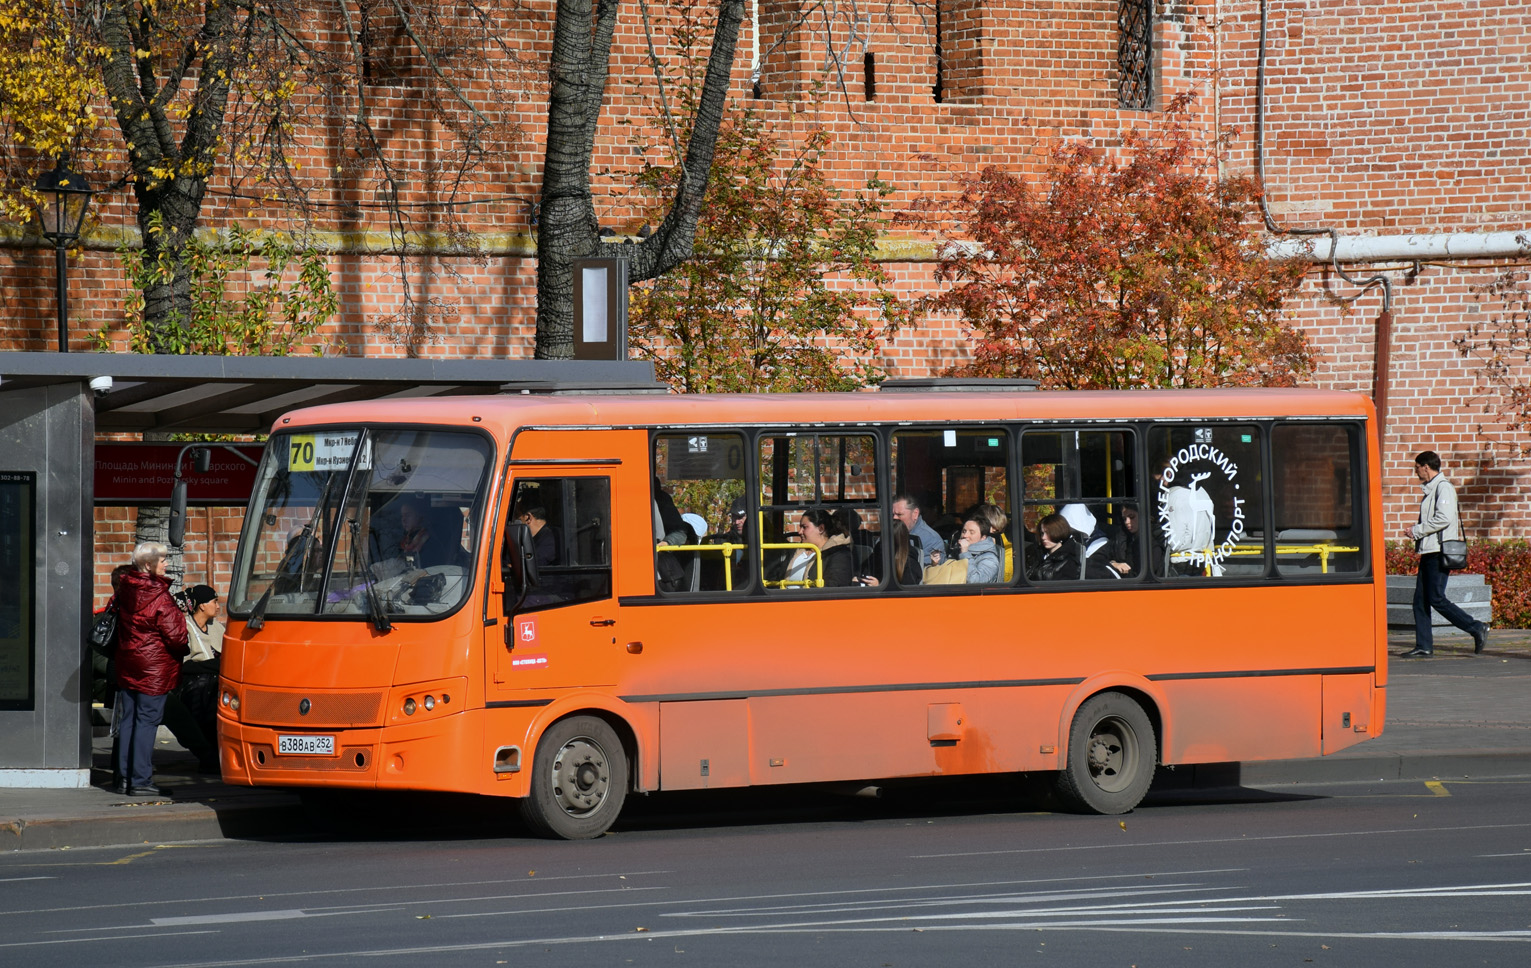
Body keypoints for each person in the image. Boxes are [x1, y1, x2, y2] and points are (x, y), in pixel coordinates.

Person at [112, 542, 190, 797]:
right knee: (147, 722)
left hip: (128, 662)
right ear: (149, 565)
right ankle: (141, 780)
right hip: (153, 668)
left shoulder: (125, 589)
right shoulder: (159, 595)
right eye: (162, 560)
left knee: (129, 719)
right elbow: (176, 637)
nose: (166, 564)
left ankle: (124, 778)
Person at [1402, 450, 1489, 657]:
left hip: (1439, 551)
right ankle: (1424, 646)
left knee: (1436, 598)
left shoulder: (1444, 488)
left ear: (1426, 467)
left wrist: (1417, 530)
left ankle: (1476, 627)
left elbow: (1444, 518)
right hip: (1429, 551)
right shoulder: (1432, 489)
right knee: (1420, 600)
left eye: (1417, 468)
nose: (1416, 472)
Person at [165, 584, 222, 774]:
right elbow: (184, 665)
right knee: (206, 700)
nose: (218, 606)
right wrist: (214, 665)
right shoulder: (185, 627)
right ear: (202, 605)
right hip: (190, 686)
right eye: (214, 601)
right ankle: (210, 756)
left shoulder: (216, 627)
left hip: (214, 683)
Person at [786, 508, 855, 587]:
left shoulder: (838, 554)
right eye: (800, 527)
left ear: (821, 529)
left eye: (804, 527)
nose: (800, 532)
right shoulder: (794, 552)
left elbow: (834, 586)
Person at [861, 520, 922, 587]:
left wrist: (879, 586)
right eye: (882, 538)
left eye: (886, 540)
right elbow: (864, 570)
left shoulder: (910, 564)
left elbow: (907, 591)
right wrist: (858, 578)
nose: (883, 543)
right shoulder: (877, 555)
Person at [892, 493, 944, 567]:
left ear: (915, 514)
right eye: (892, 515)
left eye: (899, 514)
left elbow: (923, 572)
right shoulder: (888, 534)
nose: (894, 518)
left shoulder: (932, 540)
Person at [956, 516, 1003, 583]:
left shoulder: (990, 559)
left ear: (983, 537)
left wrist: (965, 553)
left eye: (971, 532)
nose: (965, 535)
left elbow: (975, 581)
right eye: (964, 531)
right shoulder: (958, 550)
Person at [1106, 506, 1142, 578]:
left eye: (1132, 517)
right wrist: (1114, 564)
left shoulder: (1153, 541)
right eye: (1124, 519)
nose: (1127, 522)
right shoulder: (1124, 537)